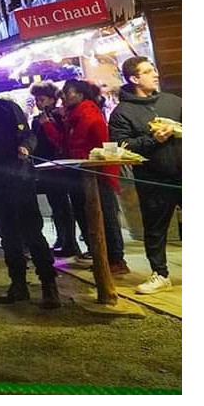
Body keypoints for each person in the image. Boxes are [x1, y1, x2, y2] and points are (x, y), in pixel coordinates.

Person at [0, 70, 62, 309]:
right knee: (7, 235)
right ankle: (18, 285)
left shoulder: (8, 108)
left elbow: (27, 135)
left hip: (20, 180)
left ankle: (49, 285)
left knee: (32, 233)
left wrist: (25, 147)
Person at [108, 57, 181, 294]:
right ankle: (160, 274)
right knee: (155, 228)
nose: (156, 74)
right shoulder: (122, 112)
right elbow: (121, 145)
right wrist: (153, 139)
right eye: (148, 71)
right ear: (134, 78)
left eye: (154, 70)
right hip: (152, 177)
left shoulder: (173, 102)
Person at [61, 79, 127, 274]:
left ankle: (116, 258)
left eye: (68, 92)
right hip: (79, 173)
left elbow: (104, 143)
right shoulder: (72, 117)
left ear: (80, 95)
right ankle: (100, 255)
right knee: (86, 214)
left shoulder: (90, 114)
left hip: (97, 173)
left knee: (105, 215)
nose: (64, 97)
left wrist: (106, 170)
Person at [29, 82, 81, 257]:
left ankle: (70, 242)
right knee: (56, 205)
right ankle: (62, 238)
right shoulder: (38, 119)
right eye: (36, 99)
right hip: (43, 166)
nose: (38, 102)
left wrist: (47, 124)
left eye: (41, 99)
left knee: (62, 206)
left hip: (57, 167)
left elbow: (59, 141)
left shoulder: (58, 117)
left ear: (52, 99)